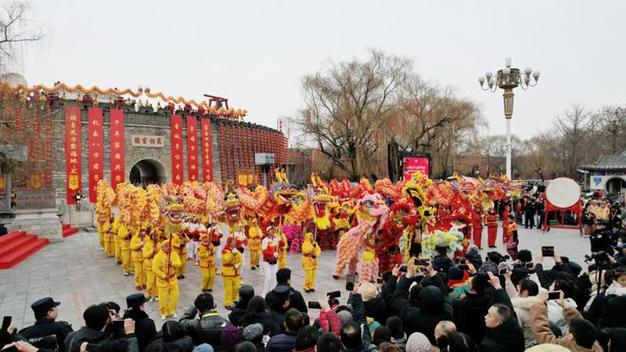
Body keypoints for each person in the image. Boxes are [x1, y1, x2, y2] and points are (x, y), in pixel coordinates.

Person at [453, 272, 514, 344]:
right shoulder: (496, 302)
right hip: (491, 342)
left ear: (473, 286)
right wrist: (498, 287)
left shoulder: (459, 304)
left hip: (468, 342)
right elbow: (509, 312)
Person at [530, 301, 603, 352]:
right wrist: (567, 309)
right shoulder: (596, 347)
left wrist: (538, 305)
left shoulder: (564, 347)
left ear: (571, 336)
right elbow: (583, 326)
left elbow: (542, 333)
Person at [152, 240, 181, 319]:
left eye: (169, 246)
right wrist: (163, 276)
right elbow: (155, 269)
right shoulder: (158, 256)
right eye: (166, 246)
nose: (168, 248)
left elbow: (179, 263)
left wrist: (172, 263)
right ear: (162, 247)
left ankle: (172, 311)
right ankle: (164, 312)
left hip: (173, 280)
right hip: (162, 281)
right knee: (163, 298)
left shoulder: (174, 254)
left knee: (174, 297)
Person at [222, 237, 243, 309]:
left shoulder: (236, 250)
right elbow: (227, 260)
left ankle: (234, 300)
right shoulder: (225, 251)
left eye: (235, 241)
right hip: (227, 273)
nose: (234, 243)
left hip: (236, 272)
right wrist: (232, 255)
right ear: (229, 242)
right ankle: (227, 303)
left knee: (236, 287)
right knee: (228, 288)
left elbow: (241, 259)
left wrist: (238, 265)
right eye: (233, 241)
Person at [262, 226, 280, 296]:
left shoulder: (277, 239)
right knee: (268, 277)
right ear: (268, 232)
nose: (273, 231)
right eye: (271, 230)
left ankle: (272, 292)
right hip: (267, 262)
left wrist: (281, 241)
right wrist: (272, 254)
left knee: (274, 278)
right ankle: (264, 294)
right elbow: (264, 252)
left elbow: (283, 245)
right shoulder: (265, 240)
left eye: (274, 229)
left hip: (275, 262)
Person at [143, 230, 158, 301]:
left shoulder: (159, 244)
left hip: (157, 265)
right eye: (153, 235)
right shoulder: (147, 244)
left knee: (157, 281)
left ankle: (157, 294)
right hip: (149, 265)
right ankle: (149, 295)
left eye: (156, 235)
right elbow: (145, 255)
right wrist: (152, 250)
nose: (155, 237)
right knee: (150, 281)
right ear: (151, 236)